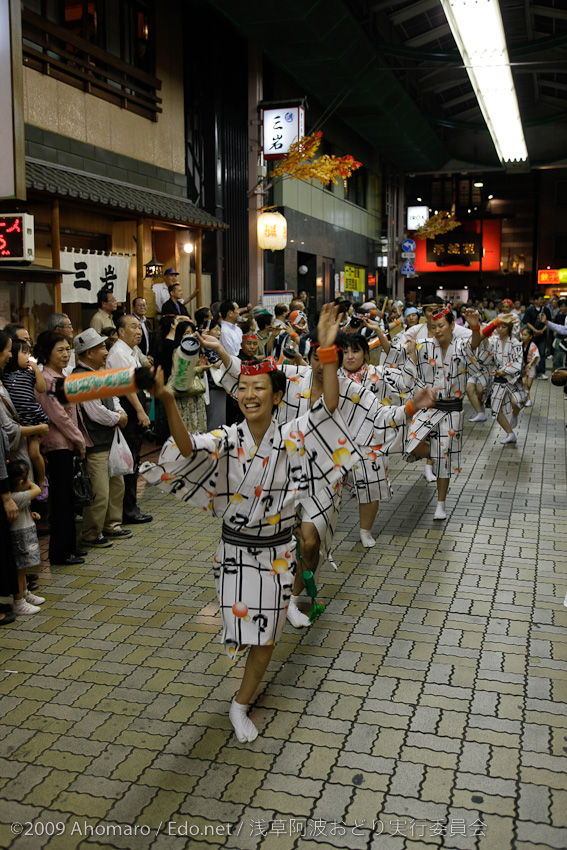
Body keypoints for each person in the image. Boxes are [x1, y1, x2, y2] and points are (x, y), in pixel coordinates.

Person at [143, 305, 432, 744]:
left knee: (267, 635)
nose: (249, 394)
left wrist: (329, 347)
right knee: (242, 629)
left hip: (277, 551)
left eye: (259, 388)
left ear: (276, 396)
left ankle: (240, 704)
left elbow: (331, 406)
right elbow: (184, 447)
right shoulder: (228, 438)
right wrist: (167, 401)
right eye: (243, 389)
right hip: (236, 551)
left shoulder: (294, 434)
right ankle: (247, 651)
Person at [404, 307, 486, 519]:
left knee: (443, 465)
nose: (437, 330)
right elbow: (405, 359)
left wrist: (475, 325)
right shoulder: (425, 346)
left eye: (441, 326)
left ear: (452, 326)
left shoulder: (462, 345)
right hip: (429, 407)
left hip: (452, 409)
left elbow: (475, 343)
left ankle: (441, 504)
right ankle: (440, 455)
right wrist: (411, 351)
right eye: (433, 327)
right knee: (411, 442)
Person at [339, 333, 416, 547]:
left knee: (370, 488)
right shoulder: (332, 376)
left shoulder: (379, 374)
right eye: (345, 352)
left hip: (371, 440)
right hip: (338, 440)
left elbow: (407, 381)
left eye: (355, 351)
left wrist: (408, 353)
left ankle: (365, 530)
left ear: (365, 352)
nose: (350, 357)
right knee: (328, 487)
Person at [35, 331, 90, 566]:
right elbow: (58, 416)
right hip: (58, 446)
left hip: (68, 443)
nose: (66, 354)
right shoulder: (46, 379)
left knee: (67, 500)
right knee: (60, 502)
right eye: (60, 350)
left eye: (68, 349)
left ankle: (70, 547)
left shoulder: (60, 376)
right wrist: (79, 440)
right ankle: (59, 553)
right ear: (47, 353)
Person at [73, 328, 132, 548]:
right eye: (102, 347)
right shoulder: (80, 377)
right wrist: (119, 418)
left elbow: (113, 397)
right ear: (88, 353)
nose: (106, 351)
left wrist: (120, 413)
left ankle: (112, 525)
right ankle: (91, 533)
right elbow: (94, 412)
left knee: (117, 485)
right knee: (99, 492)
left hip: (110, 440)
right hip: (95, 443)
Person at [106, 315, 153, 525]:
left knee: (133, 460)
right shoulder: (118, 353)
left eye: (139, 328)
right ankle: (128, 511)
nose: (138, 331)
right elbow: (126, 386)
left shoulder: (131, 351)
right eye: (133, 327)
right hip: (128, 409)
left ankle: (130, 508)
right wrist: (140, 411)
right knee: (128, 462)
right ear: (120, 331)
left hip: (136, 407)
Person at [2, 338, 49, 497]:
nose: (28, 356)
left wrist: (36, 370)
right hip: (20, 421)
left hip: (34, 418)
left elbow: (42, 389)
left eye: (29, 352)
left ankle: (42, 481)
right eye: (24, 352)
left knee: (34, 453)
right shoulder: (5, 376)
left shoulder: (28, 373)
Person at [7, 461, 46, 615]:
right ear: (21, 482)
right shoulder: (16, 496)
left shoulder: (16, 497)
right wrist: (32, 483)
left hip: (24, 534)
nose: (30, 481)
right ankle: (18, 601)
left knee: (24, 568)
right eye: (28, 478)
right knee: (20, 570)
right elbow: (37, 490)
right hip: (20, 538)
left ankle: (25, 594)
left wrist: (31, 515)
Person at [483, 319, 526, 444]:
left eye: (503, 327)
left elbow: (518, 361)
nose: (500, 329)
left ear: (509, 328)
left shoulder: (515, 342)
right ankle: (510, 434)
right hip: (498, 379)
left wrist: (504, 371)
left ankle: (515, 415)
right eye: (498, 327)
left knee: (516, 402)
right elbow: (486, 351)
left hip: (512, 379)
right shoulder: (494, 341)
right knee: (495, 410)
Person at [523, 294, 551, 379]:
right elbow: (527, 322)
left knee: (542, 353)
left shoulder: (546, 310)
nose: (542, 301)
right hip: (531, 336)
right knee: (530, 353)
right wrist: (534, 330)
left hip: (542, 335)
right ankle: (529, 370)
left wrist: (542, 331)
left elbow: (548, 322)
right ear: (535, 300)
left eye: (543, 299)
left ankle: (541, 372)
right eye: (540, 299)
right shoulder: (529, 310)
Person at [132, 297, 156, 363]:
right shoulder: (131, 321)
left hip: (149, 357)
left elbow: (152, 340)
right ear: (133, 307)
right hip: (137, 358)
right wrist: (143, 357)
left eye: (144, 305)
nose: (142, 307)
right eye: (139, 305)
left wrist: (151, 356)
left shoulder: (147, 322)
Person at [521, 327, 540, 406]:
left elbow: (536, 355)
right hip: (522, 366)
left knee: (528, 385)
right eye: (522, 335)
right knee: (524, 382)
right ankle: (528, 399)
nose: (523, 336)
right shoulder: (519, 345)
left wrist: (531, 363)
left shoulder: (533, 346)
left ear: (530, 336)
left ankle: (525, 397)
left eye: (525, 335)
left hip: (530, 367)